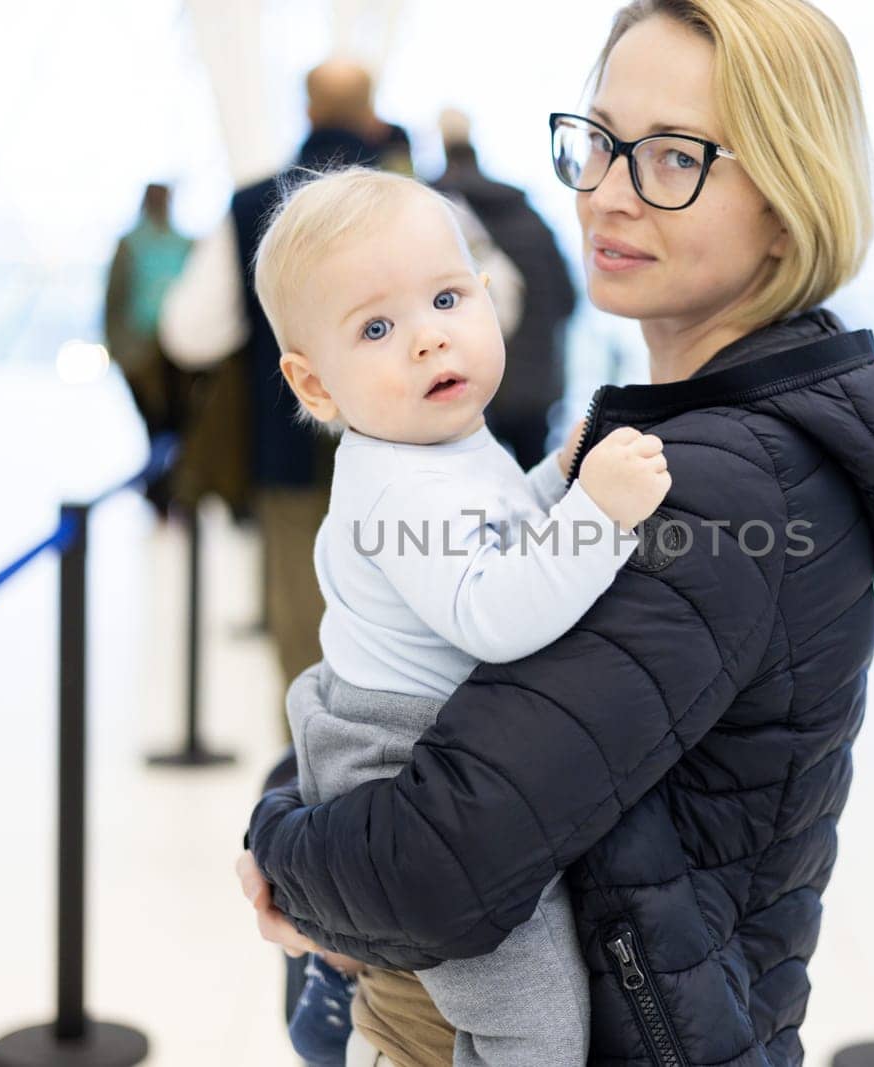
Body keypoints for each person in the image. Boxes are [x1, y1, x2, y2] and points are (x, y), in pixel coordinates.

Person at [239, 2, 874, 1064]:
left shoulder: (726, 485)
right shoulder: (678, 440)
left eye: (673, 156)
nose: (606, 191)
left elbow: (439, 864)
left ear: (787, 200)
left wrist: (278, 845)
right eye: (597, 142)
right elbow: (472, 714)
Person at [256, 167, 672, 1066]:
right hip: (395, 767)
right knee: (534, 1018)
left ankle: (343, 974)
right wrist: (597, 514)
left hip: (419, 747)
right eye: (376, 327)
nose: (426, 338)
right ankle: (360, 980)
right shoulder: (396, 480)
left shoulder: (438, 442)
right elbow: (492, 611)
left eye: (446, 296)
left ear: (490, 299)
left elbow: (491, 534)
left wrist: (556, 481)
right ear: (315, 384)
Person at [159, 59, 414, 694]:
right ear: (372, 111)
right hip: (412, 452)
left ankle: (316, 780)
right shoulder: (418, 203)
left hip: (290, 443)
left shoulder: (251, 204)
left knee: (304, 633)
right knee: (412, 627)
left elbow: (190, 333)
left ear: (306, 111)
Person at [433, 109, 578, 468]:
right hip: (536, 387)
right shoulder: (529, 216)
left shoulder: (434, 218)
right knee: (536, 487)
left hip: (466, 390)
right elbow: (567, 299)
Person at [104, 182, 192, 513]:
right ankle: (159, 495)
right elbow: (114, 301)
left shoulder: (183, 243)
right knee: (155, 425)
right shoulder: (130, 245)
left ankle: (173, 492)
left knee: (175, 426)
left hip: (178, 352)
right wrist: (120, 350)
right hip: (142, 352)